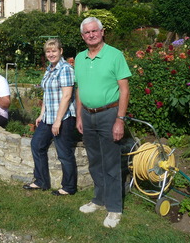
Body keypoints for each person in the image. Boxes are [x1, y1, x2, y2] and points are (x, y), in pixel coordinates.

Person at [74, 17, 131, 228]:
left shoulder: (115, 55)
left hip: (109, 114)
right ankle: (98, 200)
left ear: (102, 31)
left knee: (111, 162)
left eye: (94, 31)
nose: (91, 35)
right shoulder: (80, 58)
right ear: (83, 36)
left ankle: (114, 208)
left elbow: (124, 89)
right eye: (87, 32)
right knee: (95, 161)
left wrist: (120, 120)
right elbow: (79, 89)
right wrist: (79, 116)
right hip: (87, 115)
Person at [24, 39, 77, 195]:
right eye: (48, 51)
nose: (51, 54)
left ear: (60, 51)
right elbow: (47, 94)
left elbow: (66, 96)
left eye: (54, 51)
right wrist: (41, 114)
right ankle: (41, 181)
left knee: (64, 153)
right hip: (48, 117)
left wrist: (58, 121)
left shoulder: (65, 69)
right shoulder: (49, 69)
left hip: (63, 118)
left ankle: (69, 187)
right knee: (36, 144)